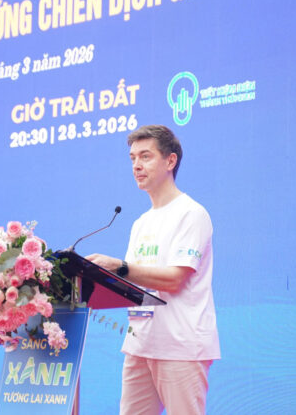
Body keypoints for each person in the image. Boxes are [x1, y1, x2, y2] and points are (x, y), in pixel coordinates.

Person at [88, 124, 220, 415]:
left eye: (145, 156)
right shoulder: (141, 223)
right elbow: (133, 282)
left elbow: (174, 280)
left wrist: (119, 267)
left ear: (170, 161)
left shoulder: (191, 213)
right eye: (133, 158)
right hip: (140, 343)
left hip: (180, 345)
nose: (136, 165)